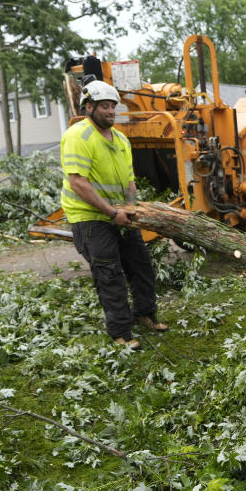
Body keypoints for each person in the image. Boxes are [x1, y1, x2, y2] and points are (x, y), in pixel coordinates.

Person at [60, 79, 168, 349]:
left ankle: (145, 313)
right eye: (104, 106)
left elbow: (130, 181)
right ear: (89, 107)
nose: (110, 111)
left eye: (112, 106)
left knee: (141, 265)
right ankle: (121, 332)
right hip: (90, 218)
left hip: (120, 215)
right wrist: (111, 212)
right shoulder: (78, 136)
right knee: (110, 274)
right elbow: (78, 183)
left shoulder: (120, 139)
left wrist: (130, 208)